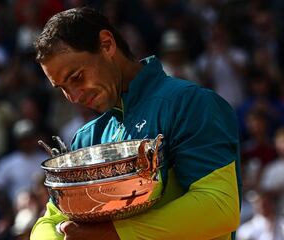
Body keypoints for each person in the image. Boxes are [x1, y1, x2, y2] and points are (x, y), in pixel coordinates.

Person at [31, 7, 241, 240]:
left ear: (107, 44)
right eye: (61, 87)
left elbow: (220, 206)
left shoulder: (189, 103)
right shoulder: (87, 138)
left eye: (77, 77)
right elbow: (50, 220)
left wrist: (115, 235)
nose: (74, 97)